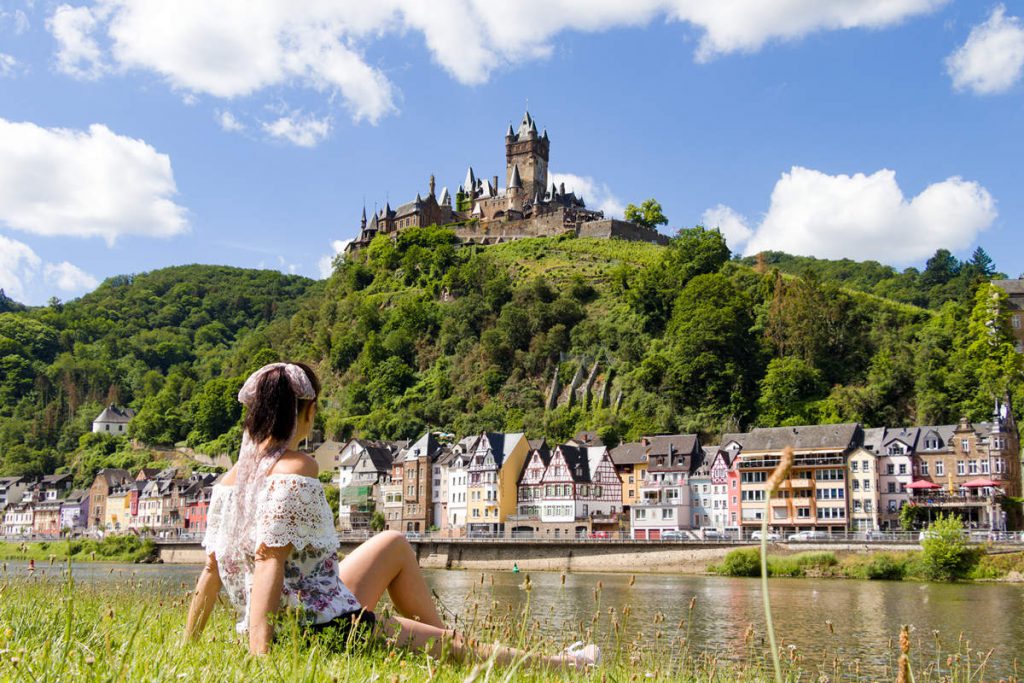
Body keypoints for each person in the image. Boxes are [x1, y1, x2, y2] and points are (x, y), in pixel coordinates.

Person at [183, 362, 598, 669]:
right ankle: (561, 666)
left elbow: (211, 573)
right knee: (471, 652)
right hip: (319, 628)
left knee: (394, 542)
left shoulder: (228, 482)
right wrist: (263, 655)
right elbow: (270, 559)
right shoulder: (296, 468)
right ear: (305, 410)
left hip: (300, 609)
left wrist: (188, 646)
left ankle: (439, 647)